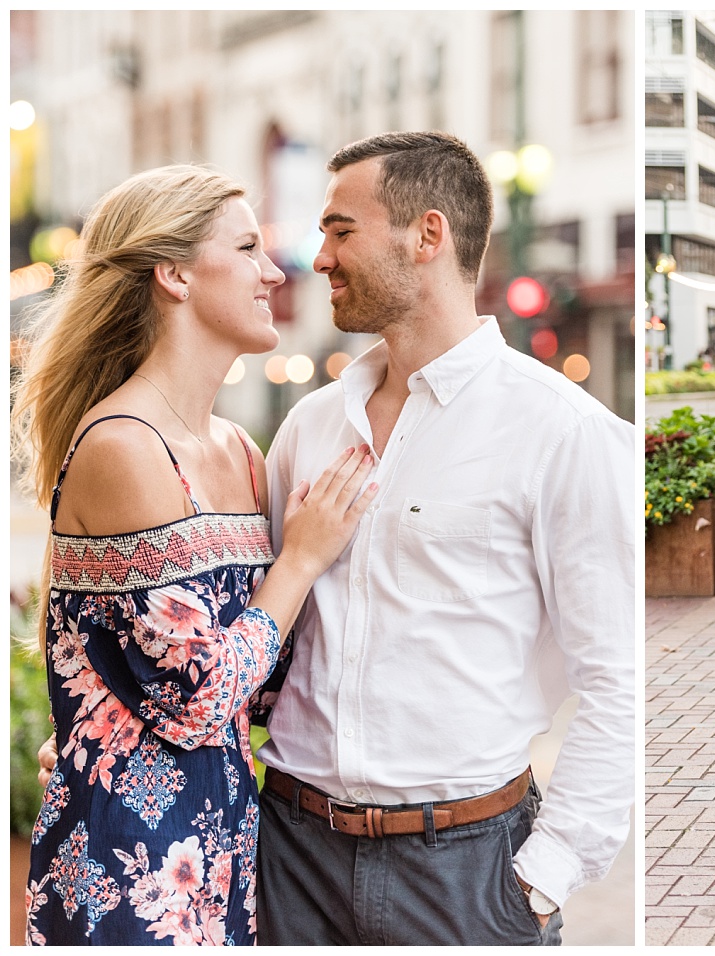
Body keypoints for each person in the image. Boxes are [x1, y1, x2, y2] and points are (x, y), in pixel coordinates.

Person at [251, 132, 634, 945]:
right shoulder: (310, 427)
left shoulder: (563, 431)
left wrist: (544, 876)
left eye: (340, 230)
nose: (319, 258)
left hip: (465, 874)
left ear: (427, 236)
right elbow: (254, 632)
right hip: (290, 856)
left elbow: (617, 677)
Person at [14, 165, 377, 945]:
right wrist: (300, 562)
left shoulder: (241, 451)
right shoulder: (123, 447)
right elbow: (201, 699)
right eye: (247, 247)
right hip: (128, 873)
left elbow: (262, 685)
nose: (272, 271)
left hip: (224, 852)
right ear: (174, 274)